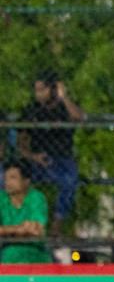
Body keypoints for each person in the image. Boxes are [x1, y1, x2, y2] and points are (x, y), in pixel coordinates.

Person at [18, 70, 86, 222]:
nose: (39, 94)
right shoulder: (31, 110)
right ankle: (22, 221)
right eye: (36, 90)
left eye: (42, 90)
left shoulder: (65, 107)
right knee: (12, 179)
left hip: (62, 160)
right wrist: (33, 156)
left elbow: (80, 118)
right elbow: (20, 142)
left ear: (53, 89)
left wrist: (64, 97)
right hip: (37, 161)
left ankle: (57, 221)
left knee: (70, 179)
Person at [0, 162, 48, 264]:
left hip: (36, 256)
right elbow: (29, 231)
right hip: (9, 256)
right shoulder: (1, 198)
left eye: (13, 178)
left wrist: (6, 232)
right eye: (6, 178)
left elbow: (36, 231)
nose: (7, 182)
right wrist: (20, 229)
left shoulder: (37, 197)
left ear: (26, 181)